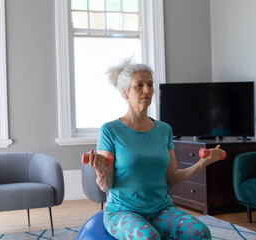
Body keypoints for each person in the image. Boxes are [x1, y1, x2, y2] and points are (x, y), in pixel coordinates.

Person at [87, 59, 223, 239]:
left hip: (161, 209)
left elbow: (172, 178)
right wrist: (101, 172)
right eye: (139, 85)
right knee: (149, 237)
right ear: (125, 93)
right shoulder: (110, 130)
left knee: (200, 232)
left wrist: (201, 163)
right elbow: (106, 186)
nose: (147, 90)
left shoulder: (164, 130)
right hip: (122, 211)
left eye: (150, 85)